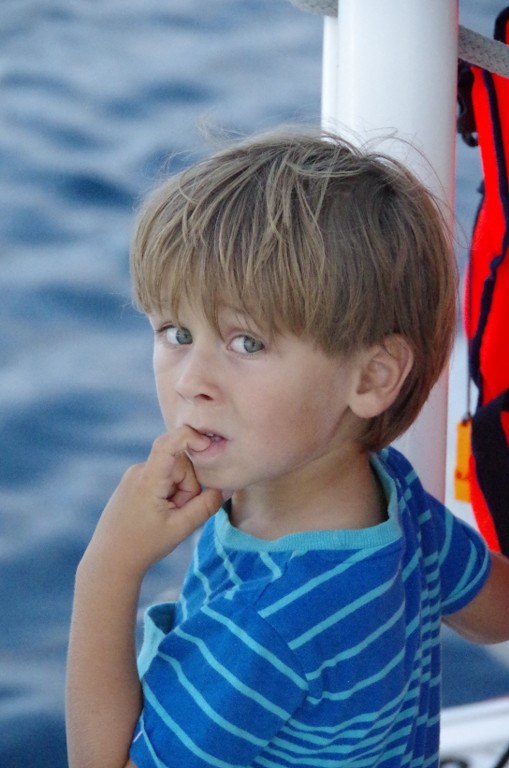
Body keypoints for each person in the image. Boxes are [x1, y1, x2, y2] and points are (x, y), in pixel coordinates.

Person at [66, 129, 509, 768]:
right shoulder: (393, 495)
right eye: (176, 332)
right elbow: (499, 612)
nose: (192, 381)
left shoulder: (266, 621)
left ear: (372, 378)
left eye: (246, 343)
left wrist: (107, 569)